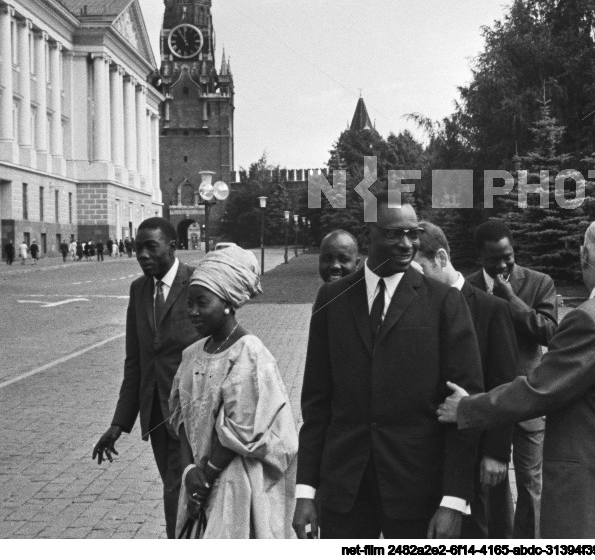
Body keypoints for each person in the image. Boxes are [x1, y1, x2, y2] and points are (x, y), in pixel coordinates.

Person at [439, 216, 595, 538]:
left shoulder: (591, 318)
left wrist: (467, 408)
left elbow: (540, 390)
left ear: (584, 255)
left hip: (590, 498)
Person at [292, 191, 483, 540]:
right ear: (369, 234)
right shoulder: (331, 300)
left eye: (414, 233)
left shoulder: (444, 302)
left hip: (418, 493)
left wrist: (454, 500)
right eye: (395, 233)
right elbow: (316, 403)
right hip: (344, 492)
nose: (407, 243)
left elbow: (465, 405)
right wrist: (305, 490)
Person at [169, 243, 298, 538]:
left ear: (228, 301)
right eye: (189, 303)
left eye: (202, 303)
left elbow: (241, 431)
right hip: (196, 482)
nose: (193, 312)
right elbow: (181, 422)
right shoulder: (191, 355)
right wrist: (190, 473)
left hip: (233, 480)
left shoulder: (249, 353)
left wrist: (206, 478)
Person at [92, 217, 199, 538]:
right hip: (155, 414)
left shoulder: (196, 283)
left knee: (181, 487)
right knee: (174, 484)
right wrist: (118, 423)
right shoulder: (138, 289)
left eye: (150, 247)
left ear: (172, 247)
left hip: (193, 411)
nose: (142, 255)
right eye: (138, 248)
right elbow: (135, 361)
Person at [414, 220, 518, 539]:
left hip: (479, 453)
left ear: (442, 258)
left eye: (417, 272)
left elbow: (505, 383)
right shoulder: (415, 309)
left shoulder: (491, 309)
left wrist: (498, 453)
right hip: (431, 455)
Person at [466, 220, 557, 539]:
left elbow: (549, 331)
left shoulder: (539, 282)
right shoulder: (468, 286)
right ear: (480, 257)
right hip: (491, 400)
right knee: (494, 483)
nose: (503, 264)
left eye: (509, 255)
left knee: (532, 484)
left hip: (531, 399)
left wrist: (510, 298)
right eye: (494, 259)